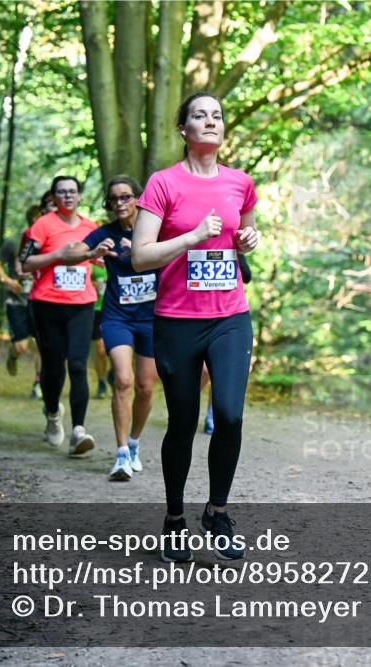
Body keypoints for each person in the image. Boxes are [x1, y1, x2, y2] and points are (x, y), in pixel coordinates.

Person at [133, 91, 260, 562]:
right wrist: (190, 237)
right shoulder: (163, 184)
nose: (210, 121)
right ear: (183, 130)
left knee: (229, 415)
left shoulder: (240, 183)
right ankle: (173, 519)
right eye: (199, 116)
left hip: (229, 316)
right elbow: (140, 255)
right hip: (176, 321)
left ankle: (217, 511)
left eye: (217, 116)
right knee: (183, 423)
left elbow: (239, 240)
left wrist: (247, 241)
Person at [63, 175, 158, 482]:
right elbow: (69, 253)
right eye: (114, 198)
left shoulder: (155, 229)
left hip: (152, 318)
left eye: (126, 197)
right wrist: (93, 254)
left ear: (137, 199)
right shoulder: (103, 233)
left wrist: (141, 254)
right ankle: (119, 456)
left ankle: (133, 443)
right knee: (124, 380)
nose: (120, 203)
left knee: (145, 387)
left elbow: (176, 257)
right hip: (117, 317)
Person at [21, 176, 99, 456]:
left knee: (78, 365)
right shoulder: (42, 226)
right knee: (54, 367)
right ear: (53, 197)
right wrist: (58, 255)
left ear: (79, 196)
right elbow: (25, 263)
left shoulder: (91, 227)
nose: (67, 196)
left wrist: (101, 255)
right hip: (47, 304)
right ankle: (53, 414)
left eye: (72, 192)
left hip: (82, 304)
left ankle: (78, 430)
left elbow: (98, 258)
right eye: (61, 192)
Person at [0, 203, 43, 399]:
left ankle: (38, 383)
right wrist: (6, 280)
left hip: (40, 300)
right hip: (17, 301)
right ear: (32, 221)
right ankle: (12, 356)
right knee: (20, 346)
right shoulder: (14, 242)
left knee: (41, 344)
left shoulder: (48, 242)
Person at [202, 253, 252, 435]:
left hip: (227, 315)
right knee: (203, 372)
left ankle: (211, 415)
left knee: (218, 373)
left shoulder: (231, 247)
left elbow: (247, 275)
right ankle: (187, 406)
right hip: (195, 314)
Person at [90, 258, 111, 398]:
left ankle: (113, 375)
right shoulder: (91, 257)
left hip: (114, 308)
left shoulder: (117, 254)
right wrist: (92, 284)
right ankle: (101, 381)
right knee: (100, 349)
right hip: (96, 308)